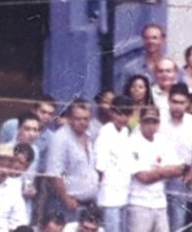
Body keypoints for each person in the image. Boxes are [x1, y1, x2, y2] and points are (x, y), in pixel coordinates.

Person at [158, 84, 192, 232]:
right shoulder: (158, 120)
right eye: (174, 102)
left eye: (181, 103)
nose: (177, 106)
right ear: (168, 101)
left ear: (187, 103)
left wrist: (184, 183)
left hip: (181, 181)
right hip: (156, 178)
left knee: (178, 225)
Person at [126, 106, 183, 232]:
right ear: (140, 122)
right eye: (147, 121)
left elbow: (179, 169)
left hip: (160, 203)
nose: (151, 125)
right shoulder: (132, 143)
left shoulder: (162, 140)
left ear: (159, 123)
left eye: (154, 121)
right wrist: (164, 170)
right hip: (139, 204)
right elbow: (143, 177)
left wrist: (156, 171)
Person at [45, 99, 98, 218]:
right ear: (69, 118)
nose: (82, 122)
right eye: (78, 119)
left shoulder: (89, 136)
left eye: (86, 119)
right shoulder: (60, 138)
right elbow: (53, 174)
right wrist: (66, 199)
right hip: (67, 206)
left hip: (88, 206)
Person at [96, 95, 134, 232]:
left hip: (125, 193)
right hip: (109, 197)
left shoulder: (126, 132)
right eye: (119, 114)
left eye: (126, 115)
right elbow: (100, 166)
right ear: (112, 112)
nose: (122, 118)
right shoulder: (105, 131)